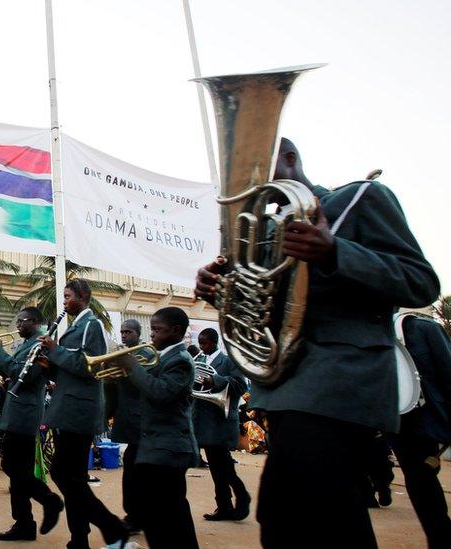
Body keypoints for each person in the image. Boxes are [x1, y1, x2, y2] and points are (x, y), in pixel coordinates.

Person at [195, 138, 440, 548]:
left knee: (298, 509)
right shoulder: (263, 234)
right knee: (302, 515)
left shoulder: (361, 198)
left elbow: (421, 282)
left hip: (344, 379)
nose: (243, 176)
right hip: (288, 388)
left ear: (290, 159)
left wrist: (335, 251)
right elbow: (264, 313)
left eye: (255, 161)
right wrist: (223, 291)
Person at [38, 279, 128, 549]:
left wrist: (56, 350)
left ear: (83, 296)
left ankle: (112, 527)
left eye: (68, 296)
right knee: (73, 478)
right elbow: (68, 369)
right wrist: (47, 362)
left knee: (64, 475)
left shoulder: (93, 325)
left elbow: (89, 366)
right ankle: (80, 539)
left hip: (79, 411)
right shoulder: (76, 325)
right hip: (68, 408)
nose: (64, 301)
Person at [120, 307, 200, 548]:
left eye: (157, 329)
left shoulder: (180, 360)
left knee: (168, 513)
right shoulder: (163, 355)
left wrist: (133, 367)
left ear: (176, 331)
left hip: (169, 448)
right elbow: (145, 387)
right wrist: (124, 374)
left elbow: (160, 392)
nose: (152, 334)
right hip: (157, 445)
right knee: (160, 512)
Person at [0, 306, 63, 542]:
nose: (17, 325)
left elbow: (24, 376)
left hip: (24, 417)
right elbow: (14, 373)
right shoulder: (26, 344)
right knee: (17, 471)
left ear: (35, 321)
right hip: (17, 413)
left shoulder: (40, 344)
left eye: (21, 321)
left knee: (14, 468)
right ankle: (24, 523)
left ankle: (49, 501)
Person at [390, 314, 451, 547]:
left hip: (431, 417)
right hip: (402, 424)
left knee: (423, 479)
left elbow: (448, 373)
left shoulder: (422, 328)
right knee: (420, 480)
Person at [190, 328, 250, 521]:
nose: (202, 347)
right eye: (200, 343)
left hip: (219, 421)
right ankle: (226, 505)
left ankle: (238, 499)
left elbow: (241, 385)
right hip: (203, 421)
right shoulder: (199, 361)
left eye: (205, 343)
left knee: (222, 466)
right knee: (219, 467)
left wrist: (215, 380)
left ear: (214, 342)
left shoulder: (228, 361)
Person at [105, 319, 154, 535]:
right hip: (127, 418)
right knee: (131, 469)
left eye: (129, 332)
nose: (124, 336)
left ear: (138, 333)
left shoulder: (146, 354)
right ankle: (134, 515)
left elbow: (143, 385)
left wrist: (126, 366)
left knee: (137, 472)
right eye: (122, 332)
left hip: (141, 421)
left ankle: (137, 516)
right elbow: (112, 388)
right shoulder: (121, 355)